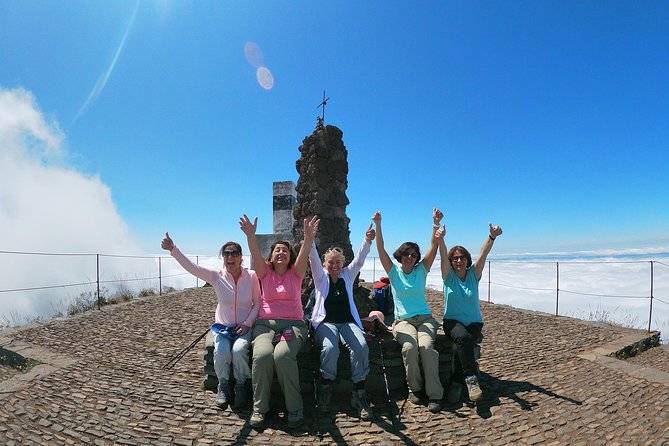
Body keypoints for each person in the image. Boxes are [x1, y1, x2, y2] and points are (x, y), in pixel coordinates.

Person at [160, 233, 260, 409]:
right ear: (223, 257)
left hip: (244, 327)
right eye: (227, 253)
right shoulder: (217, 276)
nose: (230, 257)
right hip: (223, 327)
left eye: (235, 253)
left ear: (241, 257)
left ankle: (241, 386)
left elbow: (258, 302)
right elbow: (193, 268)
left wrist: (248, 323)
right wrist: (173, 250)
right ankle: (223, 384)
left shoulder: (251, 276)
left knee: (238, 351)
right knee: (221, 351)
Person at [239, 214, 320, 429]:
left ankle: (295, 409)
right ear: (271, 256)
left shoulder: (296, 273)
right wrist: (250, 236)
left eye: (285, 250)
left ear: (289, 256)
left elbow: (303, 255)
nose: (281, 252)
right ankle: (259, 409)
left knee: (283, 355)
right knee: (263, 355)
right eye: (277, 250)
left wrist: (308, 238)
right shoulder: (264, 274)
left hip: (293, 325)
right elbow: (255, 254)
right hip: (265, 325)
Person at [371, 209, 444, 413]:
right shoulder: (394, 272)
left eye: (413, 254)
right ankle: (416, 390)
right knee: (410, 348)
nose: (410, 257)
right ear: (400, 256)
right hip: (403, 321)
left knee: (427, 348)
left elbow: (433, 246)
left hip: (426, 319)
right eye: (406, 253)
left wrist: (435, 223)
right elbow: (381, 249)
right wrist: (378, 224)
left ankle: (435, 395)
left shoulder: (422, 270)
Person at [309, 223, 376, 420]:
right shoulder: (320, 278)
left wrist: (368, 240)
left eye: (338, 262)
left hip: (348, 323)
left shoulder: (347, 275)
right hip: (325, 324)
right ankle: (326, 389)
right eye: (331, 262)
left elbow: (360, 260)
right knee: (330, 349)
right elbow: (312, 257)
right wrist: (310, 238)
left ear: (343, 264)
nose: (335, 265)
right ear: (325, 264)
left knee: (361, 346)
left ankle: (359, 393)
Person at [437, 221, 503, 402]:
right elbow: (442, 257)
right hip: (452, 321)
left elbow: (483, 253)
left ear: (467, 260)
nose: (459, 260)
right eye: (455, 258)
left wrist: (492, 237)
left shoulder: (474, 275)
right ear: (451, 261)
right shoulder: (448, 277)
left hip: (474, 322)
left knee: (462, 347)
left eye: (462, 257)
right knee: (464, 339)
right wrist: (441, 240)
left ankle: (456, 384)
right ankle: (471, 380)